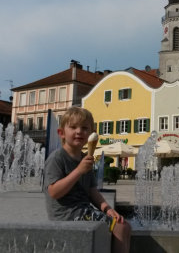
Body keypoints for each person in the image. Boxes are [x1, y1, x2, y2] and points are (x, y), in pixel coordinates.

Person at [44, 107, 131, 253]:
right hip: (67, 214)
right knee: (121, 227)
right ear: (61, 133)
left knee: (124, 225)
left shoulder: (85, 158)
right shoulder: (57, 158)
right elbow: (53, 192)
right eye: (73, 127)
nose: (79, 131)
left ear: (91, 134)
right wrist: (78, 171)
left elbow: (92, 191)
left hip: (84, 211)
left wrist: (107, 209)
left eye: (85, 128)